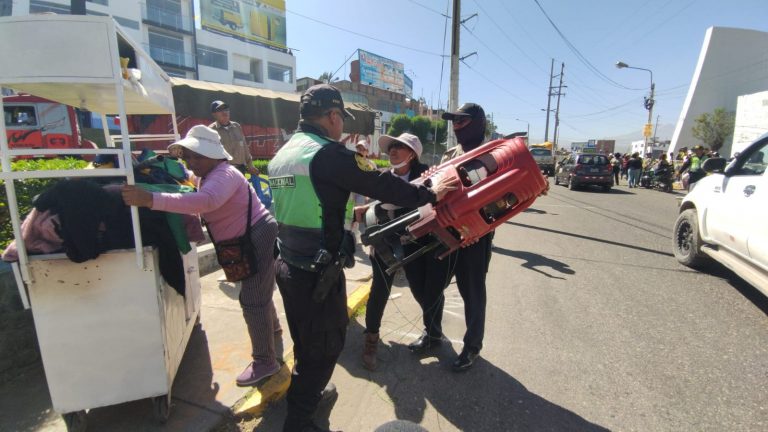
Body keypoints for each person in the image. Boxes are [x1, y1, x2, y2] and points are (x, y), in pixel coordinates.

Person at [268, 84, 458, 432]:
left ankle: (310, 394)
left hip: (287, 264)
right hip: (317, 273)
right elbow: (383, 185)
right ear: (333, 116)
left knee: (305, 339)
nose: (342, 127)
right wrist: (429, 192)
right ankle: (299, 422)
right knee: (325, 347)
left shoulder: (283, 155)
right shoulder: (328, 154)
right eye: (342, 120)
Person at [121, 125, 282, 387]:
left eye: (197, 156)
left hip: (255, 236)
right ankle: (272, 329)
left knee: (252, 298)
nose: (191, 162)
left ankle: (265, 361)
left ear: (215, 155)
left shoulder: (225, 174)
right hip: (244, 239)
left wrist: (150, 199)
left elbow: (204, 202)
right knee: (257, 290)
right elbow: (193, 192)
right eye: (188, 156)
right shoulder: (208, 174)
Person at [356, 133, 454, 371]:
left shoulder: (429, 179)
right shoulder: (382, 178)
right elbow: (383, 203)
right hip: (386, 242)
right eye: (391, 146)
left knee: (425, 292)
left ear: (412, 154)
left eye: (400, 147)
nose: (393, 150)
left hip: (419, 243)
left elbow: (435, 203)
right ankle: (371, 340)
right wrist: (366, 209)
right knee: (379, 290)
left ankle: (433, 333)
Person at [405, 102, 491, 372]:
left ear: (477, 123)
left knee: (472, 292)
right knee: (430, 287)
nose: (455, 126)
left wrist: (477, 228)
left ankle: (472, 346)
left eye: (461, 121)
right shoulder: (450, 153)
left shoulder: (491, 155)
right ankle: (432, 335)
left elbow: (499, 197)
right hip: (445, 230)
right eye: (453, 121)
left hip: (476, 235)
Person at [209, 100, 260, 176]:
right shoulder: (211, 130)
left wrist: (250, 165)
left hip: (240, 170)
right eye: (220, 110)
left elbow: (245, 148)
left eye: (226, 109)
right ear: (214, 114)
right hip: (224, 171)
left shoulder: (237, 126)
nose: (224, 112)